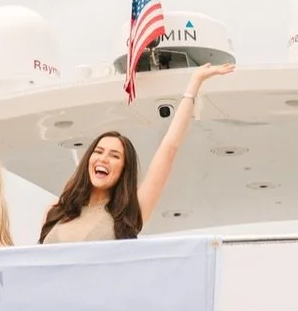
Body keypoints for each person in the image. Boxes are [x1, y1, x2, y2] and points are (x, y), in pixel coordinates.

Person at [39, 62, 234, 244]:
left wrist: (194, 83)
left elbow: (169, 148)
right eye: (98, 151)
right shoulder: (56, 210)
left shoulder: (128, 212)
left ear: (124, 169)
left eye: (115, 156)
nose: (104, 159)